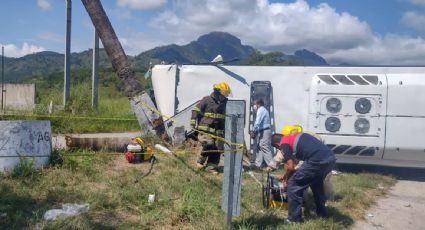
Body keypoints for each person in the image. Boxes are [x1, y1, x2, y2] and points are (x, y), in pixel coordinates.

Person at [271, 125, 336, 223]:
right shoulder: (295, 136)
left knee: (293, 185)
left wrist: (287, 180)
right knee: (316, 183)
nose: (280, 150)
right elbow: (297, 166)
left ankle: (294, 219)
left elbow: (291, 166)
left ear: (277, 144)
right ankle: (322, 213)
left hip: (317, 160)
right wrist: (285, 176)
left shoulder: (284, 143)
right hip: (330, 159)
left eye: (277, 148)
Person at [190, 82, 230, 174]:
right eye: (223, 95)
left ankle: (211, 167)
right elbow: (195, 110)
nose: (224, 97)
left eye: (225, 95)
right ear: (217, 92)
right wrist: (193, 122)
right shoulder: (206, 100)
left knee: (217, 148)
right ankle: (200, 161)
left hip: (218, 131)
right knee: (209, 144)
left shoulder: (225, 103)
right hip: (206, 129)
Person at [250, 99, 276, 171]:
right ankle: (257, 165)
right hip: (263, 131)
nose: (254, 106)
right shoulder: (264, 110)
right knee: (260, 147)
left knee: (264, 146)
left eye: (255, 104)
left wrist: (254, 130)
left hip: (265, 131)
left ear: (258, 104)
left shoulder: (260, 110)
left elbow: (258, 121)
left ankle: (272, 165)